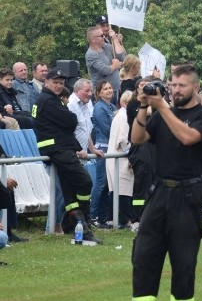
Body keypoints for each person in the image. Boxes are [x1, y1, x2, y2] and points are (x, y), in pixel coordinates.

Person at [118, 63, 202, 301]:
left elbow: (187, 137)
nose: (174, 90)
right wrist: (142, 106)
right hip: (160, 190)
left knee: (184, 257)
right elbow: (137, 138)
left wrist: (161, 107)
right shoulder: (162, 113)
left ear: (195, 87)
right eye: (172, 85)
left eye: (181, 85)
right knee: (144, 252)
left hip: (189, 192)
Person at [33, 68, 100, 243]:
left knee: (69, 191)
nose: (58, 86)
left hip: (61, 148)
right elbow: (71, 121)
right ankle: (82, 220)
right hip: (57, 149)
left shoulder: (52, 100)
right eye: (55, 82)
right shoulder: (48, 101)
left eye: (61, 83)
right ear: (46, 82)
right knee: (85, 181)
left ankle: (79, 225)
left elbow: (70, 124)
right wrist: (69, 120)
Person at [107, 91, 136, 228]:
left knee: (119, 190)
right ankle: (126, 220)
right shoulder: (124, 116)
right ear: (125, 103)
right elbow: (124, 140)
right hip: (120, 158)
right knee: (123, 191)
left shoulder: (121, 115)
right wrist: (134, 151)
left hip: (117, 158)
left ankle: (118, 219)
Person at [91, 80, 117, 227]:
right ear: (99, 92)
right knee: (101, 182)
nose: (109, 90)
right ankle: (93, 215)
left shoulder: (112, 107)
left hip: (112, 148)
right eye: (105, 89)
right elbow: (107, 129)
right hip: (103, 147)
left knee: (108, 184)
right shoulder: (99, 108)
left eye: (110, 87)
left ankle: (103, 216)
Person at [85, 22, 126, 104]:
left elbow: (122, 56)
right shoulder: (91, 54)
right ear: (93, 39)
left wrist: (115, 40)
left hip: (115, 90)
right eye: (101, 36)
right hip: (102, 94)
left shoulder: (107, 46)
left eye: (103, 35)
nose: (104, 37)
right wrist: (115, 65)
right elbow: (105, 70)